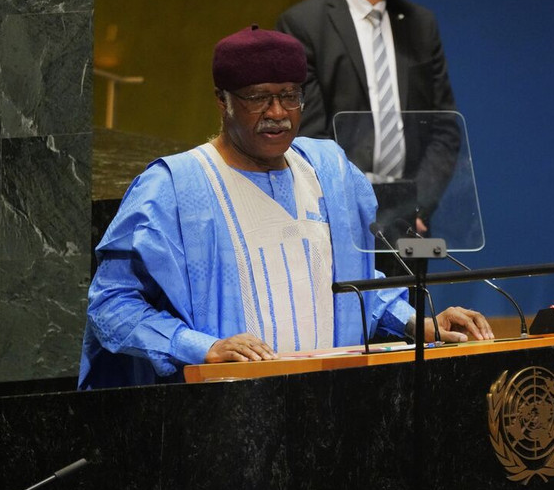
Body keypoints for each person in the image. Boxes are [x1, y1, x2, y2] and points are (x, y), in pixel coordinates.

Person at [78, 26, 492, 389]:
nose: (277, 114)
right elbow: (112, 305)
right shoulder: (174, 186)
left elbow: (358, 288)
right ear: (222, 101)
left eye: (289, 97)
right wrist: (204, 348)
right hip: (225, 416)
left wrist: (421, 324)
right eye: (258, 98)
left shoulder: (329, 170)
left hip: (337, 402)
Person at [276, 0, 459, 236]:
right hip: (341, 219)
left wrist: (418, 205)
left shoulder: (421, 24)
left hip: (409, 222)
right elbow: (310, 136)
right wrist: (358, 205)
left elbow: (444, 128)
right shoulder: (304, 23)